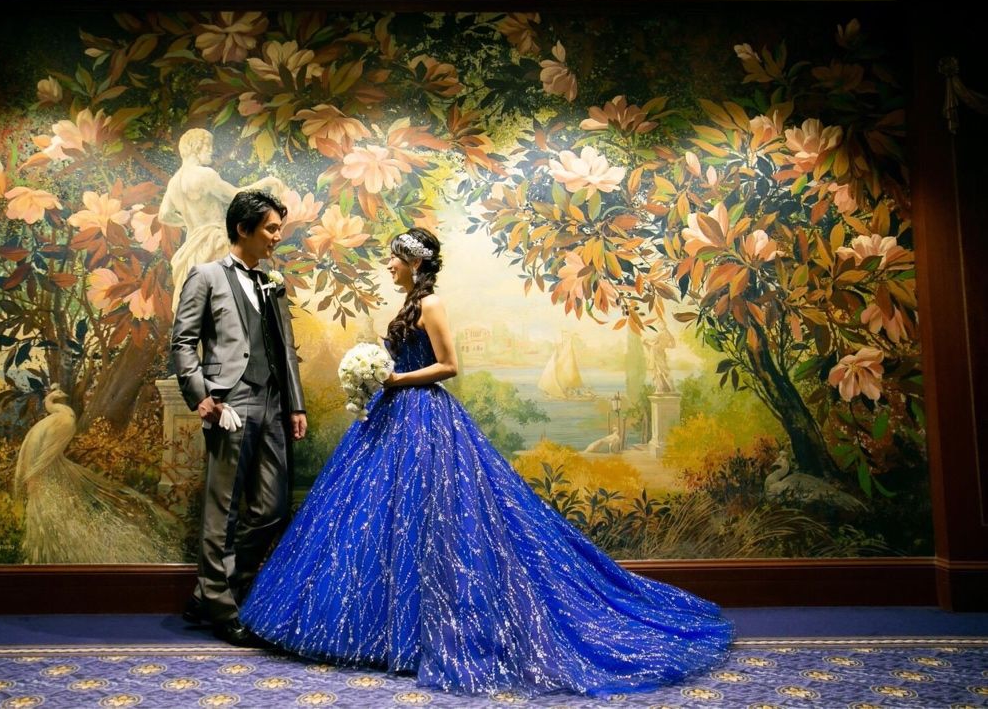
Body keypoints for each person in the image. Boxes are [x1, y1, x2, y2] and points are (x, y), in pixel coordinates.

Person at [240, 228, 733, 696]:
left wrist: (394, 380)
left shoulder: (431, 304)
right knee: (384, 519)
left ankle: (421, 633)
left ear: (415, 263)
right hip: (395, 414)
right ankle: (383, 633)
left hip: (424, 416)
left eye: (395, 258)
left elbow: (449, 366)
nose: (388, 265)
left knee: (432, 521)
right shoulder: (410, 303)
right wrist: (377, 379)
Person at [171, 189, 307, 647]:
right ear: (243, 229)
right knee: (223, 511)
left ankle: (208, 593)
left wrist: (296, 405)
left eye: (279, 229)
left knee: (271, 510)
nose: (277, 237)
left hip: (273, 403)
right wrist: (200, 396)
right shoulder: (206, 276)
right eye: (271, 229)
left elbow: (286, 349)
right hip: (230, 403)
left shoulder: (272, 282)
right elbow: (182, 341)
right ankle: (223, 608)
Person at [159, 128, 286, 312]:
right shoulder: (205, 175)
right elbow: (235, 195)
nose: (211, 150)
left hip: (192, 249)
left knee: (201, 307)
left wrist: (189, 224)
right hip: (216, 242)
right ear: (196, 147)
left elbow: (164, 214)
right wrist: (266, 182)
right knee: (231, 304)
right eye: (208, 146)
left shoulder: (174, 183)